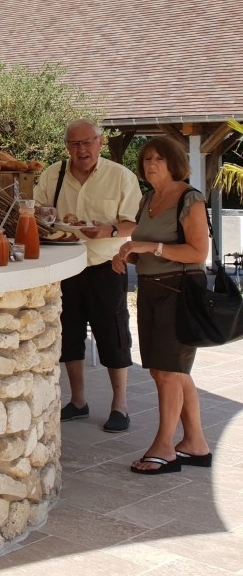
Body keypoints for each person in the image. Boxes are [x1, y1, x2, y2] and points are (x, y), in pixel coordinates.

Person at [34, 119, 141, 433]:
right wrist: (44, 215)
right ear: (67, 146)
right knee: (69, 335)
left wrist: (109, 229)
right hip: (65, 266)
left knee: (113, 335)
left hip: (106, 265)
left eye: (87, 142)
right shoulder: (52, 175)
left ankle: (119, 405)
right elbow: (36, 209)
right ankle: (78, 401)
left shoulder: (121, 177)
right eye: (74, 144)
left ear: (100, 142)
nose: (81, 150)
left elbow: (134, 224)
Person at [112, 137, 211, 474]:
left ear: (174, 163)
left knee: (169, 372)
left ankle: (164, 447)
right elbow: (148, 244)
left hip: (180, 292)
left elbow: (198, 253)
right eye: (147, 159)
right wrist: (127, 252)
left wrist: (148, 246)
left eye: (159, 159)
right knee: (166, 370)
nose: (151, 164)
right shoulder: (149, 198)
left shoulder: (189, 198)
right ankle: (195, 443)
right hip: (152, 290)